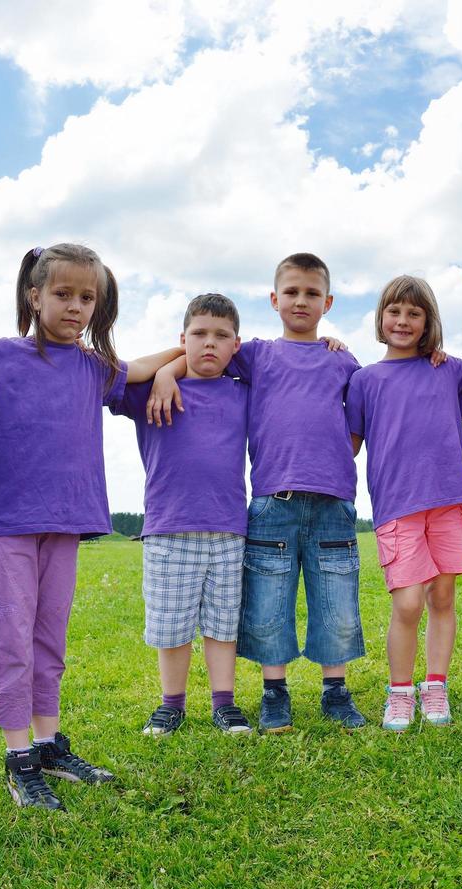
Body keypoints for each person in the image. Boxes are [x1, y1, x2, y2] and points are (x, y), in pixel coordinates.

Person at [0, 243, 181, 810]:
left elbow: (138, 369)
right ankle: (18, 761)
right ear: (34, 297)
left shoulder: (92, 367)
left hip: (65, 522)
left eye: (88, 298)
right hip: (7, 521)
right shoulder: (1, 355)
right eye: (63, 294)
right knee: (11, 642)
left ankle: (47, 745)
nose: (76, 307)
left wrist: (180, 356)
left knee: (48, 639)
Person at [149, 253, 367, 733]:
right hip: (273, 500)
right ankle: (275, 692)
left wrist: (332, 454)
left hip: (333, 500)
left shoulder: (342, 359)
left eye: (312, 294)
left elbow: (356, 421)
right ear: (274, 299)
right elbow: (209, 351)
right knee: (269, 602)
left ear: (327, 301)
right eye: (291, 292)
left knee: (337, 601)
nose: (301, 301)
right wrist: (168, 372)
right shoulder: (258, 355)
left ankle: (335, 691)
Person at [111, 294, 252, 735]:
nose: (209, 344)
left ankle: (224, 702)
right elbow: (116, 372)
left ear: (236, 344)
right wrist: (169, 368)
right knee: (172, 624)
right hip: (169, 527)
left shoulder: (243, 393)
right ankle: (171, 703)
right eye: (198, 335)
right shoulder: (151, 391)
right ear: (182, 339)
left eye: (221, 336)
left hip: (229, 527)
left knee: (222, 622)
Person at [347, 275, 462, 730]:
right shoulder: (364, 380)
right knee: (407, 605)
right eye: (395, 311)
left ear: (427, 322)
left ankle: (434, 685)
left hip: (448, 501)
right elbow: (350, 445)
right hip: (397, 506)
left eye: (414, 314)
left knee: (442, 597)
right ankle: (400, 692)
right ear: (381, 317)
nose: (403, 321)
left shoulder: (448, 369)